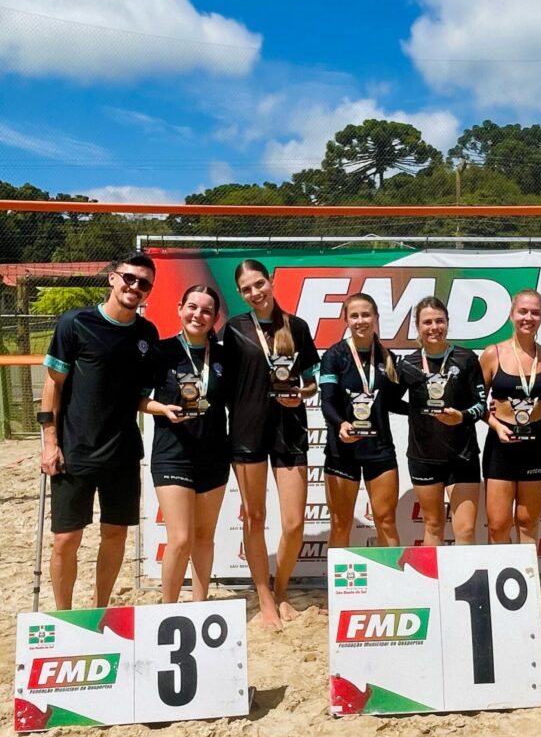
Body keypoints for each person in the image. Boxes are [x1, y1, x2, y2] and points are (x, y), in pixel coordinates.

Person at [39, 252, 159, 609]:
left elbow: (141, 395)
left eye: (144, 284)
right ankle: (65, 616)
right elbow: (52, 384)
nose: (135, 287)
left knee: (115, 533)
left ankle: (100, 608)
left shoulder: (146, 334)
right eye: (129, 278)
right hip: (75, 450)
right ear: (112, 278)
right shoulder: (75, 323)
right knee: (66, 539)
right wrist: (49, 443)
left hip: (122, 452)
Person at [222, 259, 320, 629]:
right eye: (247, 289)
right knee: (255, 517)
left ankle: (281, 592)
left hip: (290, 429)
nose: (255, 293)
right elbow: (222, 382)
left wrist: (300, 394)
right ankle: (264, 596)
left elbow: (312, 380)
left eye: (259, 284)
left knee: (294, 523)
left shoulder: (296, 326)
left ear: (272, 281)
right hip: (247, 431)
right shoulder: (234, 329)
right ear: (241, 294)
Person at [140, 285, 230, 604]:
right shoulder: (160, 351)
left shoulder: (223, 355)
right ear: (180, 308)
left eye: (206, 311)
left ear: (215, 317)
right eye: (192, 307)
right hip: (172, 454)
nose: (198, 315)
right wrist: (161, 408)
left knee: (204, 538)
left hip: (215, 455)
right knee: (179, 538)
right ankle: (168, 609)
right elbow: (137, 398)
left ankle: (200, 605)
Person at [319, 293, 408, 548]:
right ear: (345, 319)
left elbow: (390, 402)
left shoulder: (387, 356)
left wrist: (419, 411)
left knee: (387, 520)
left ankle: (392, 584)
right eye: (354, 315)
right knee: (340, 523)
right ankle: (337, 588)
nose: (361, 321)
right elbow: (327, 401)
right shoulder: (334, 356)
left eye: (366, 314)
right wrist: (340, 424)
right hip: (342, 450)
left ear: (376, 318)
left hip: (379, 450)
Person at [398, 296, 486, 545]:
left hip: (463, 456)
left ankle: (463, 584)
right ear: (418, 326)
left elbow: (481, 405)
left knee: (466, 530)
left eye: (439, 321)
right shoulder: (409, 364)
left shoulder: (466, 358)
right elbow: (391, 401)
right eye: (427, 322)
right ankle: (432, 585)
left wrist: (462, 417)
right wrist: (418, 412)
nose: (434, 327)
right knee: (433, 526)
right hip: (423, 456)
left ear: (447, 322)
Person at [479, 289, 541, 544]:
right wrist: (496, 424)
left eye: (535, 312)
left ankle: (528, 581)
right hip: (500, 446)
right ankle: (500, 581)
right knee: (498, 525)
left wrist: (531, 418)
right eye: (523, 311)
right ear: (511, 314)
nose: (528, 317)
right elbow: (476, 401)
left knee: (527, 521)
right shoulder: (494, 353)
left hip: (535, 446)